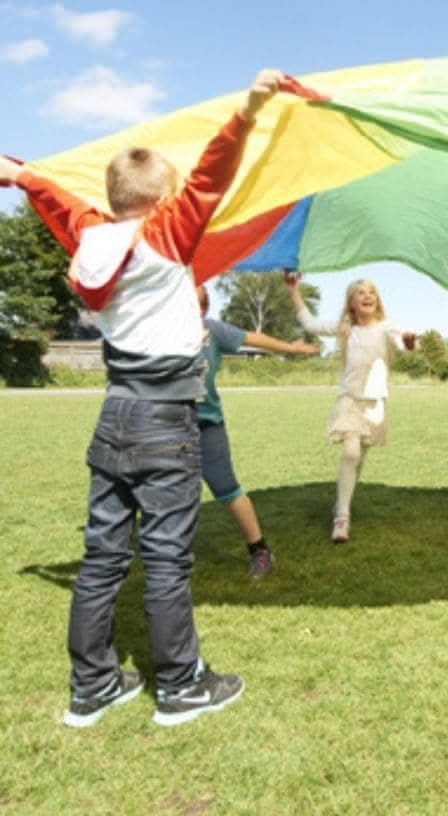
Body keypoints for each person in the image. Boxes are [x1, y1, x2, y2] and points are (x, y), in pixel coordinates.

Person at [0, 68, 284, 727]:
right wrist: (247, 110)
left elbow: (53, 199)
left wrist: (16, 174)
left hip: (113, 419)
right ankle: (181, 687)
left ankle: (92, 686)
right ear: (163, 202)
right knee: (164, 558)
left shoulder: (90, 238)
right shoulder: (164, 237)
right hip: (166, 424)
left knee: (102, 557)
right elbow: (213, 174)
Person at [196, 284, 319, 578]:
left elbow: (255, 338)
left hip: (206, 424)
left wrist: (291, 348)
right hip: (165, 425)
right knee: (162, 491)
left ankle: (260, 550)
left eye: (193, 303)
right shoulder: (156, 332)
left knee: (226, 488)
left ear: (202, 310)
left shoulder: (212, 331)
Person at [284, 273, 417, 543]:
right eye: (361, 293)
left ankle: (342, 501)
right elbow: (309, 323)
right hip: (349, 400)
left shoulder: (386, 328)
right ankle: (342, 516)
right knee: (350, 451)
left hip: (374, 403)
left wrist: (411, 342)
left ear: (377, 301)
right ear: (351, 303)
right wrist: (293, 290)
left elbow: (404, 346)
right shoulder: (345, 329)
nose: (367, 296)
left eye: (371, 292)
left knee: (359, 458)